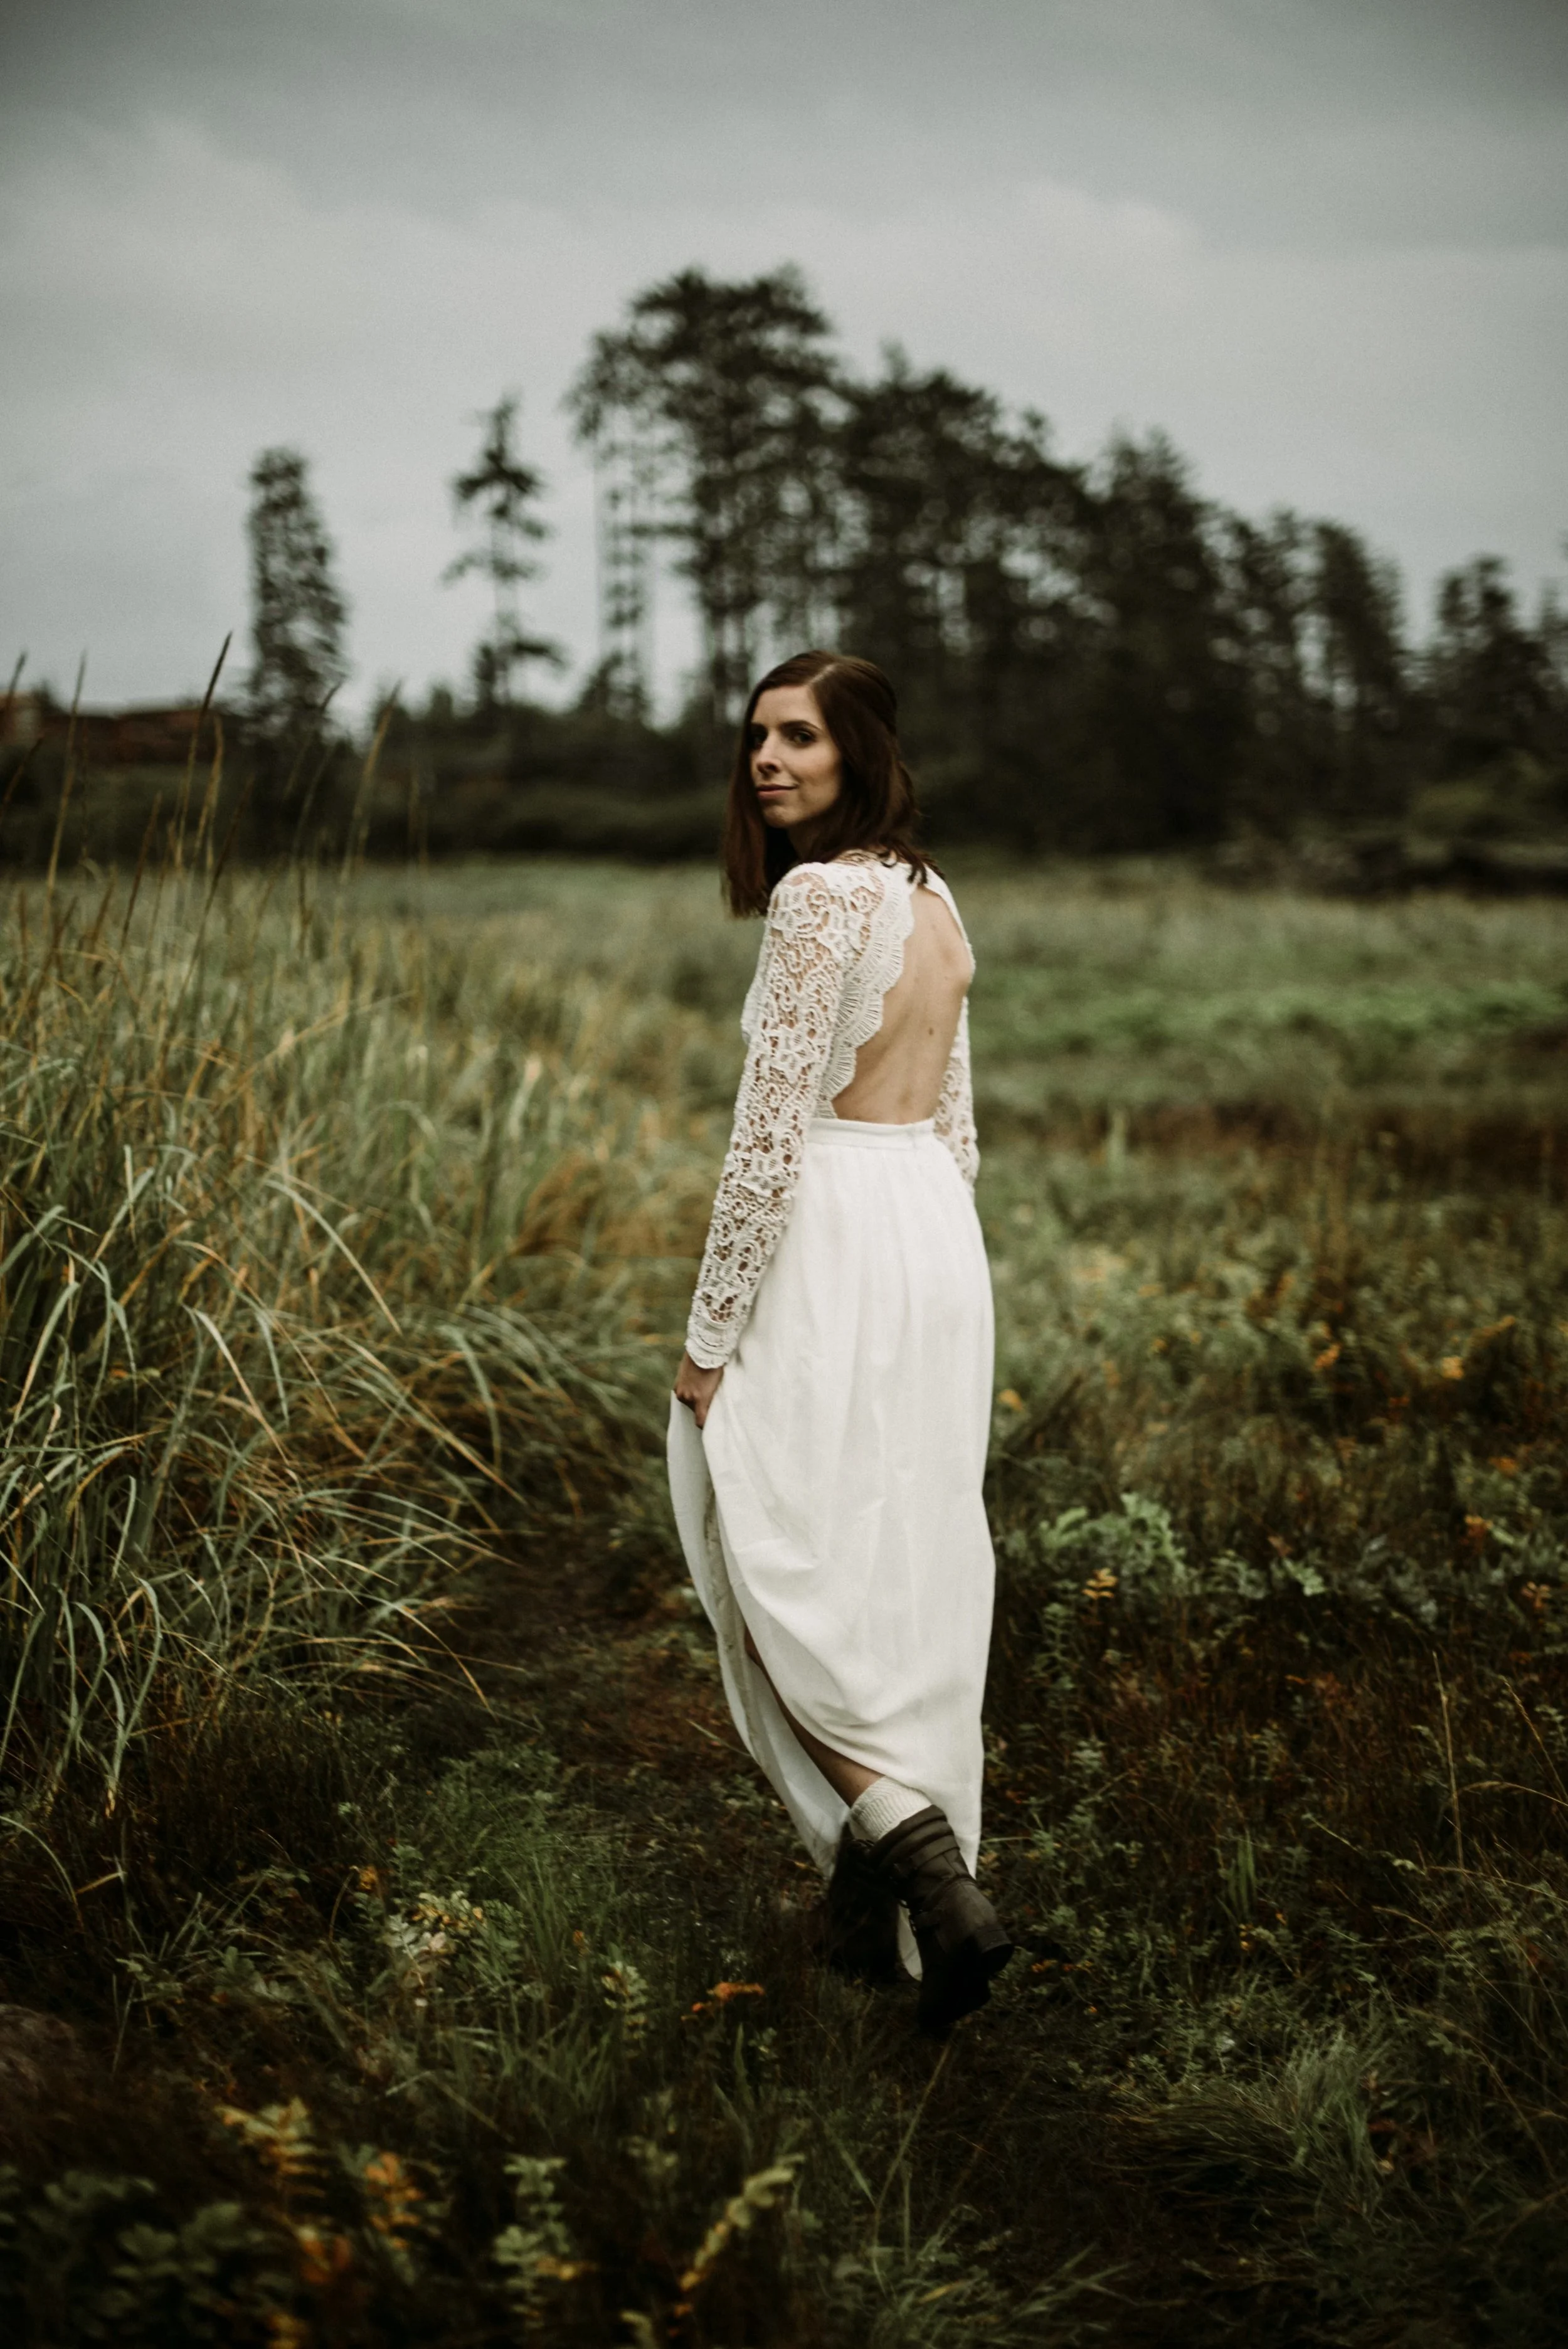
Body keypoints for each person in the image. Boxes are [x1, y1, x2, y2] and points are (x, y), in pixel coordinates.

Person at [667, 649, 1012, 2035]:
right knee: (887, 1564)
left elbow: (765, 1139)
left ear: (857, 749)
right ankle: (865, 1917)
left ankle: (927, 1877)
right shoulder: (930, 896)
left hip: (833, 1230)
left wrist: (706, 1341)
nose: (768, 759)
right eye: (756, 736)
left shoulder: (819, 899)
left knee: (756, 1550)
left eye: (799, 736)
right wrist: (927, 1259)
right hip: (927, 1232)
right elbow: (958, 1128)